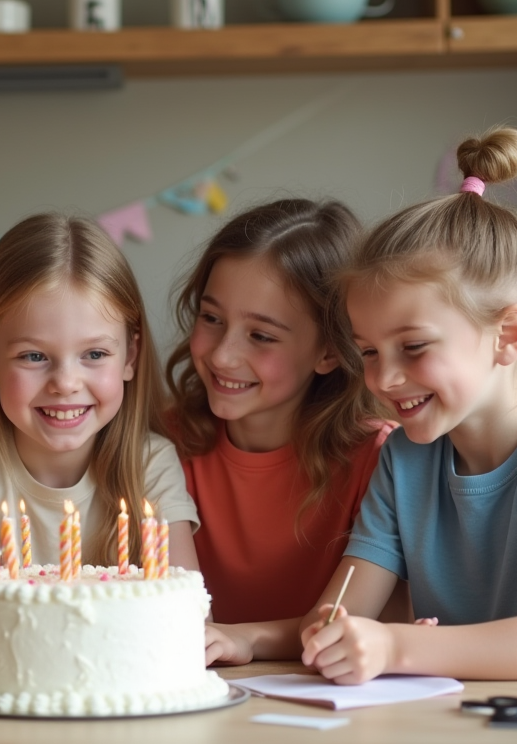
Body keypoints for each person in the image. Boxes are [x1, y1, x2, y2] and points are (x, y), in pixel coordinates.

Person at [301, 127, 517, 684]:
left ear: (507, 336)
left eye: (413, 347)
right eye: (367, 351)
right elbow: (347, 607)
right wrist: (333, 632)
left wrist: (393, 646)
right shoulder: (404, 459)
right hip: (465, 724)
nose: (383, 377)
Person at [0, 213, 200, 667]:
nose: (65, 382)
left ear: (130, 355)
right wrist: (35, 651)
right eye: (33, 356)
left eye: (94, 354)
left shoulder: (151, 463)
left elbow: (184, 611)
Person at [165, 200, 396, 665]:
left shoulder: (379, 459)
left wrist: (244, 640)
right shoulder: (161, 446)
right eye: (212, 319)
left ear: (329, 351)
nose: (223, 355)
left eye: (261, 336)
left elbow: (354, 626)